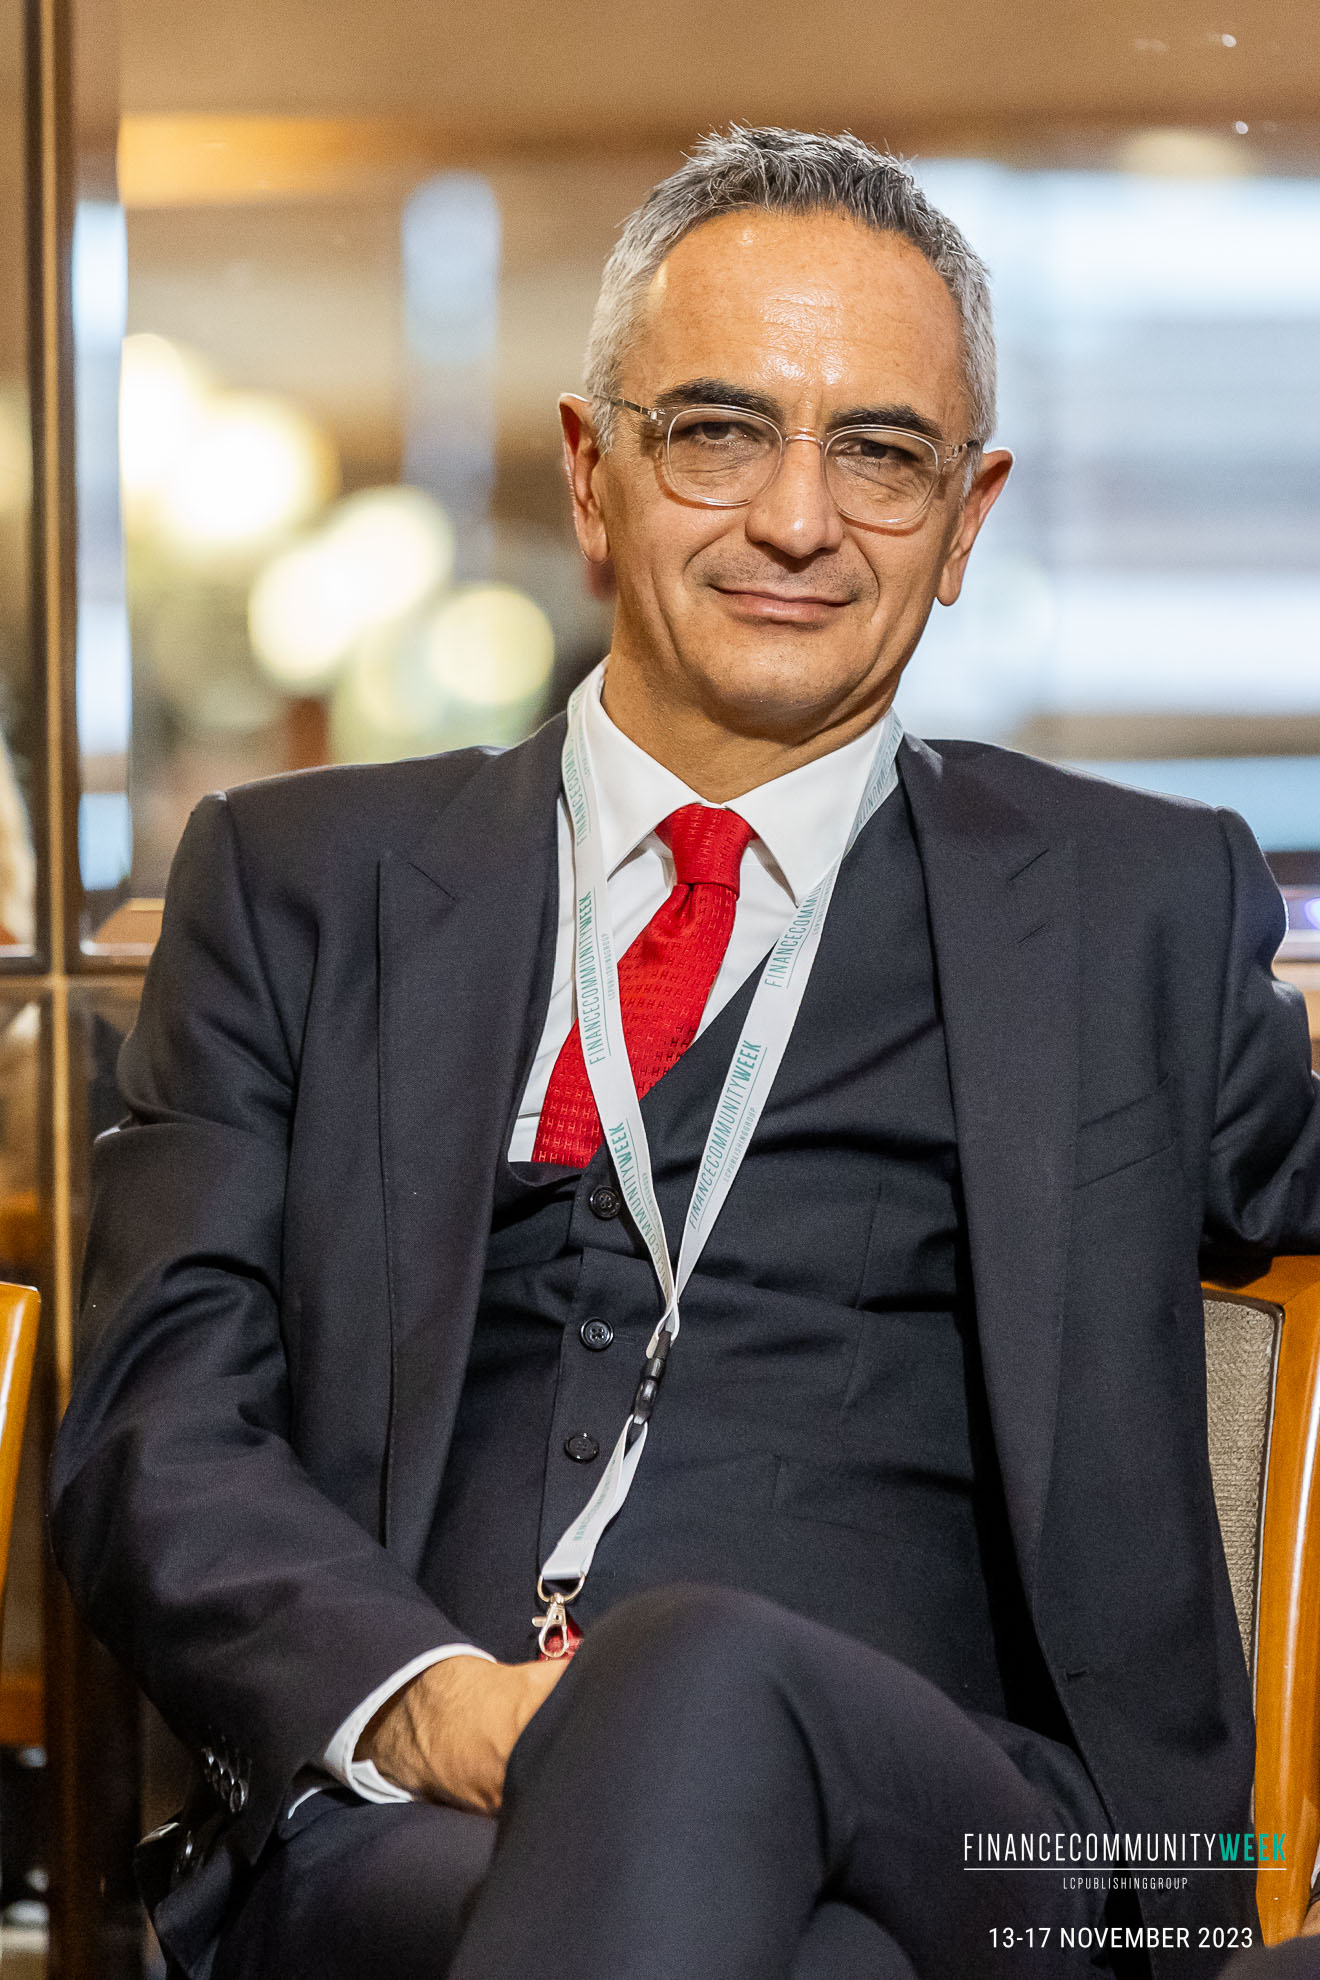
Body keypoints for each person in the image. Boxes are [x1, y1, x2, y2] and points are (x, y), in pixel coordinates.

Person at [50, 127, 1320, 1980]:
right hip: (428, 1822)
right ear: (594, 473)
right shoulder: (302, 884)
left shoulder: (1137, 904)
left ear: (967, 519)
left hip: (988, 1838)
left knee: (705, 1671)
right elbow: (155, 1430)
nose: (798, 520)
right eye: (721, 432)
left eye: (879, 453)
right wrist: (431, 1705)